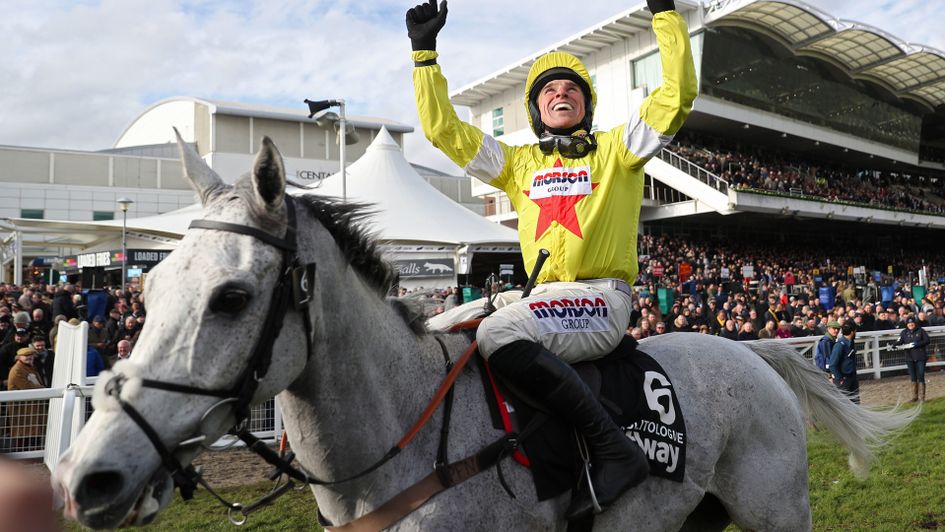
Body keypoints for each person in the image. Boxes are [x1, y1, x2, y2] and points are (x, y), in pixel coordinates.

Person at [407, 0, 696, 519]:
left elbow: (676, 97)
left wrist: (665, 16)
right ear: (538, 109)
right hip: (537, 299)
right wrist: (424, 57)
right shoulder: (517, 163)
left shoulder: (619, 150)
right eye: (549, 90)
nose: (560, 94)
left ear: (586, 105)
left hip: (600, 300)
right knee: (434, 331)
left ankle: (614, 452)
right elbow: (443, 132)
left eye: (571, 90)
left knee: (496, 336)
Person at [894, 316, 931, 402]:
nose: (910, 324)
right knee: (913, 377)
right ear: (906, 324)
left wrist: (917, 344)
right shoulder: (904, 332)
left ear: (915, 323)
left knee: (921, 375)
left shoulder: (921, 331)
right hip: (909, 358)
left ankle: (922, 397)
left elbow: (927, 340)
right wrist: (894, 345)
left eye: (912, 323)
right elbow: (900, 341)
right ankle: (914, 397)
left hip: (920, 357)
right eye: (909, 323)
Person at [828, 322, 859, 403]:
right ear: (852, 332)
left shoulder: (850, 342)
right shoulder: (840, 345)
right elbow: (832, 364)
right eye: (855, 331)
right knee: (844, 404)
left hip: (852, 377)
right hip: (844, 380)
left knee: (855, 403)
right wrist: (840, 378)